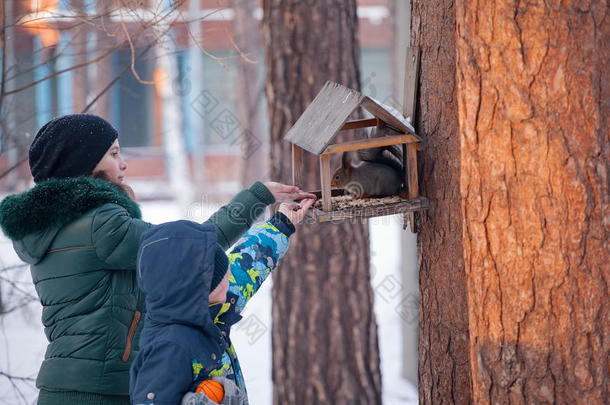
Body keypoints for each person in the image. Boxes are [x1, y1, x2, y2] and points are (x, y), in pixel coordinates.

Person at [0, 114, 315, 405]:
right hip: (104, 391)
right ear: (84, 163)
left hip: (60, 388)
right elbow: (189, 249)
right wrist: (257, 198)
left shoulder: (47, 228)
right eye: (113, 154)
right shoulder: (100, 223)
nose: (123, 164)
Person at [130, 198, 313, 405]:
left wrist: (282, 223)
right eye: (221, 275)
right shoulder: (170, 347)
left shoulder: (211, 306)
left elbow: (247, 266)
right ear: (196, 289)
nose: (229, 277)